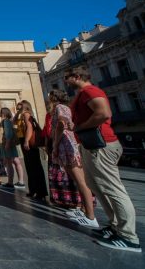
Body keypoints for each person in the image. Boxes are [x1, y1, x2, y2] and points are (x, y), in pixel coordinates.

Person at [65, 66, 141, 252]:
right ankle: (115, 226)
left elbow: (104, 113)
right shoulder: (83, 93)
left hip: (102, 144)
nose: (66, 82)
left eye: (68, 78)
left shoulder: (90, 91)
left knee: (112, 187)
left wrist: (80, 127)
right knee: (96, 183)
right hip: (92, 146)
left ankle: (129, 236)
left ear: (76, 77)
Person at [49, 89, 98, 229]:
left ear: (54, 97)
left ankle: (90, 216)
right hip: (71, 144)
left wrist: (55, 144)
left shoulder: (59, 107)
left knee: (80, 181)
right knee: (80, 181)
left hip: (66, 145)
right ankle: (83, 209)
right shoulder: (67, 107)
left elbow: (61, 124)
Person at [19, 100, 48, 201]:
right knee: (29, 166)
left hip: (29, 143)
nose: (18, 106)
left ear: (25, 106)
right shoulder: (23, 115)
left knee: (34, 166)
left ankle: (40, 191)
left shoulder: (26, 114)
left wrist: (26, 141)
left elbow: (29, 128)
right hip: (26, 142)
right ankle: (33, 190)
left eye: (20, 105)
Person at [0, 107, 25, 189]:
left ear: (3, 113)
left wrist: (7, 144)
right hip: (11, 144)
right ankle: (20, 181)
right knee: (15, 161)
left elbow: (8, 133)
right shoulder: (10, 121)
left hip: (8, 143)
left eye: (1, 112)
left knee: (11, 163)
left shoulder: (5, 121)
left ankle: (11, 182)